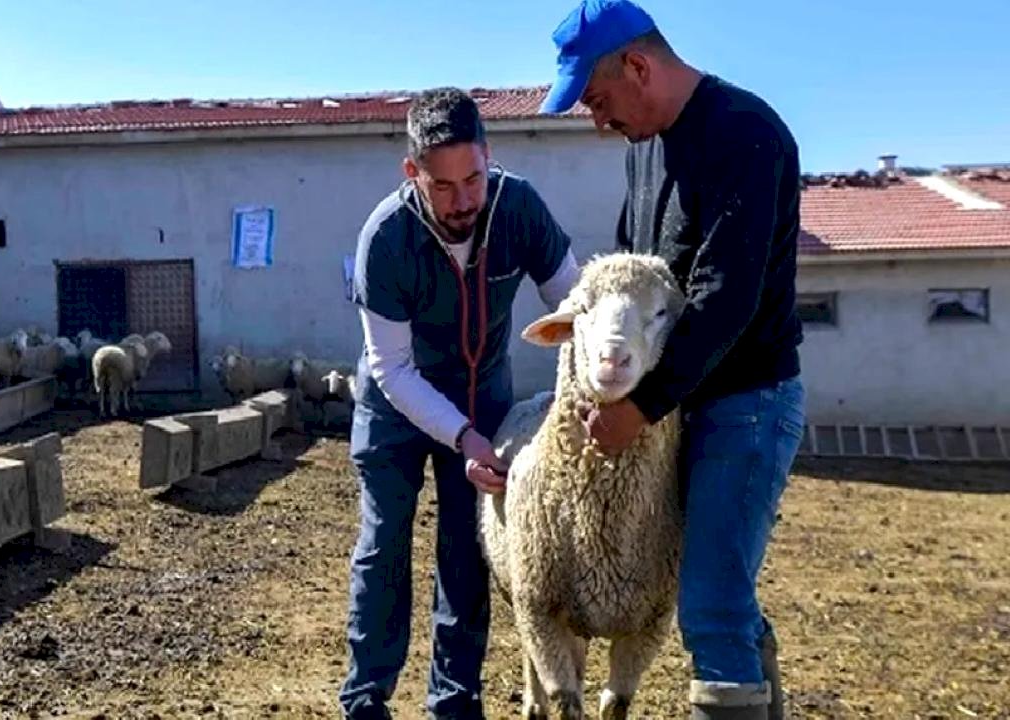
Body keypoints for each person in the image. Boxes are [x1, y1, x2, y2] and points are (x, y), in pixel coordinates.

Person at [538, 2, 806, 719]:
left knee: (711, 603)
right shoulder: (646, 148)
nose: (599, 121)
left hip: (745, 402)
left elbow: (726, 297)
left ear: (637, 66)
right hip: (682, 402)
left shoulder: (745, 134)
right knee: (722, 594)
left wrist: (641, 408)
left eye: (598, 100)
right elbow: (635, 278)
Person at [340, 87, 583, 720]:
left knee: (468, 549)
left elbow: (576, 306)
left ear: (488, 156)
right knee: (384, 543)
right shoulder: (385, 239)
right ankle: (366, 697)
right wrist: (461, 436)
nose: (463, 200)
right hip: (396, 405)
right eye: (443, 186)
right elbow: (392, 367)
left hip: (485, 396)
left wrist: (585, 392)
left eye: (473, 178)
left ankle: (454, 700)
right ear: (412, 173)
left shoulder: (518, 208)